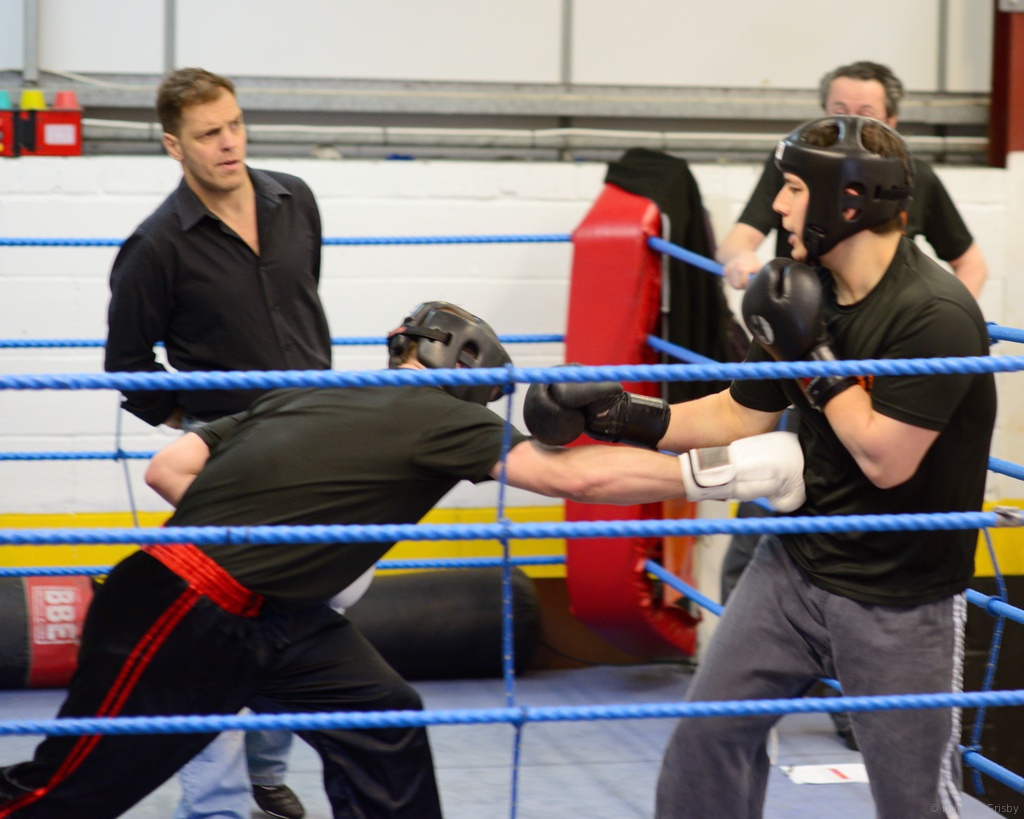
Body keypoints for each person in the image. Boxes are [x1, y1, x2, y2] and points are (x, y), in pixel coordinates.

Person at [0, 301, 805, 819]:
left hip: (275, 610)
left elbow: (167, 468)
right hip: (189, 604)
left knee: (383, 719)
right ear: (473, 380)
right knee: (71, 788)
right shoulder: (441, 416)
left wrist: (290, 539)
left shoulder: (310, 391)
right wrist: (727, 471)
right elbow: (575, 477)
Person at [524, 117, 996, 817]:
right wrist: (620, 414)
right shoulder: (804, 290)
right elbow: (736, 416)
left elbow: (885, 459)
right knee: (705, 745)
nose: (777, 205)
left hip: (899, 596)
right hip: (794, 568)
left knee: (912, 801)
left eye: (795, 188)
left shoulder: (934, 315)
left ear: (848, 200)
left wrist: (814, 358)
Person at [102, 67, 332, 819]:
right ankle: (217, 806)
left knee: (305, 612)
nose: (229, 142)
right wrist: (196, 421)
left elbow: (303, 302)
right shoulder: (155, 246)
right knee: (215, 624)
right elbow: (128, 365)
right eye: (208, 133)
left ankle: (266, 773)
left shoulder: (295, 199)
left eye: (234, 123)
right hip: (228, 454)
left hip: (316, 438)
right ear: (175, 145)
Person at [716, 60, 988, 299]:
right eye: (839, 113)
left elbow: (971, 264)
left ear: (891, 122)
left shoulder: (917, 177)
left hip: (879, 319)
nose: (851, 127)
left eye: (866, 116)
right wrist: (741, 259)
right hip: (802, 319)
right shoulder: (793, 167)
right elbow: (736, 244)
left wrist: (956, 316)